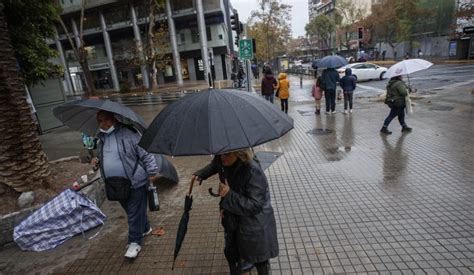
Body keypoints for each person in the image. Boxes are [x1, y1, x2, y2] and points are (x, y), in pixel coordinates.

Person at [192, 150, 278, 275]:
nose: (222, 157)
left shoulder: (253, 170)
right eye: (221, 154)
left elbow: (255, 205)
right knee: (232, 254)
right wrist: (202, 173)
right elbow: (215, 164)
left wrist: (229, 195)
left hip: (254, 224)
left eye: (227, 154)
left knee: (259, 258)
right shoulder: (222, 158)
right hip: (233, 218)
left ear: (239, 154)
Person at [94, 110, 158, 259]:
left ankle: (135, 242)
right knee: (130, 210)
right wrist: (97, 162)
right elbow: (103, 157)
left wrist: (152, 171)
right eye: (100, 121)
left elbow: (145, 152)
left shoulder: (129, 133)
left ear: (114, 119)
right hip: (114, 183)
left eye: (106, 120)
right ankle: (146, 228)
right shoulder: (101, 138)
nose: (103, 124)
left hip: (135, 180)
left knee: (133, 213)